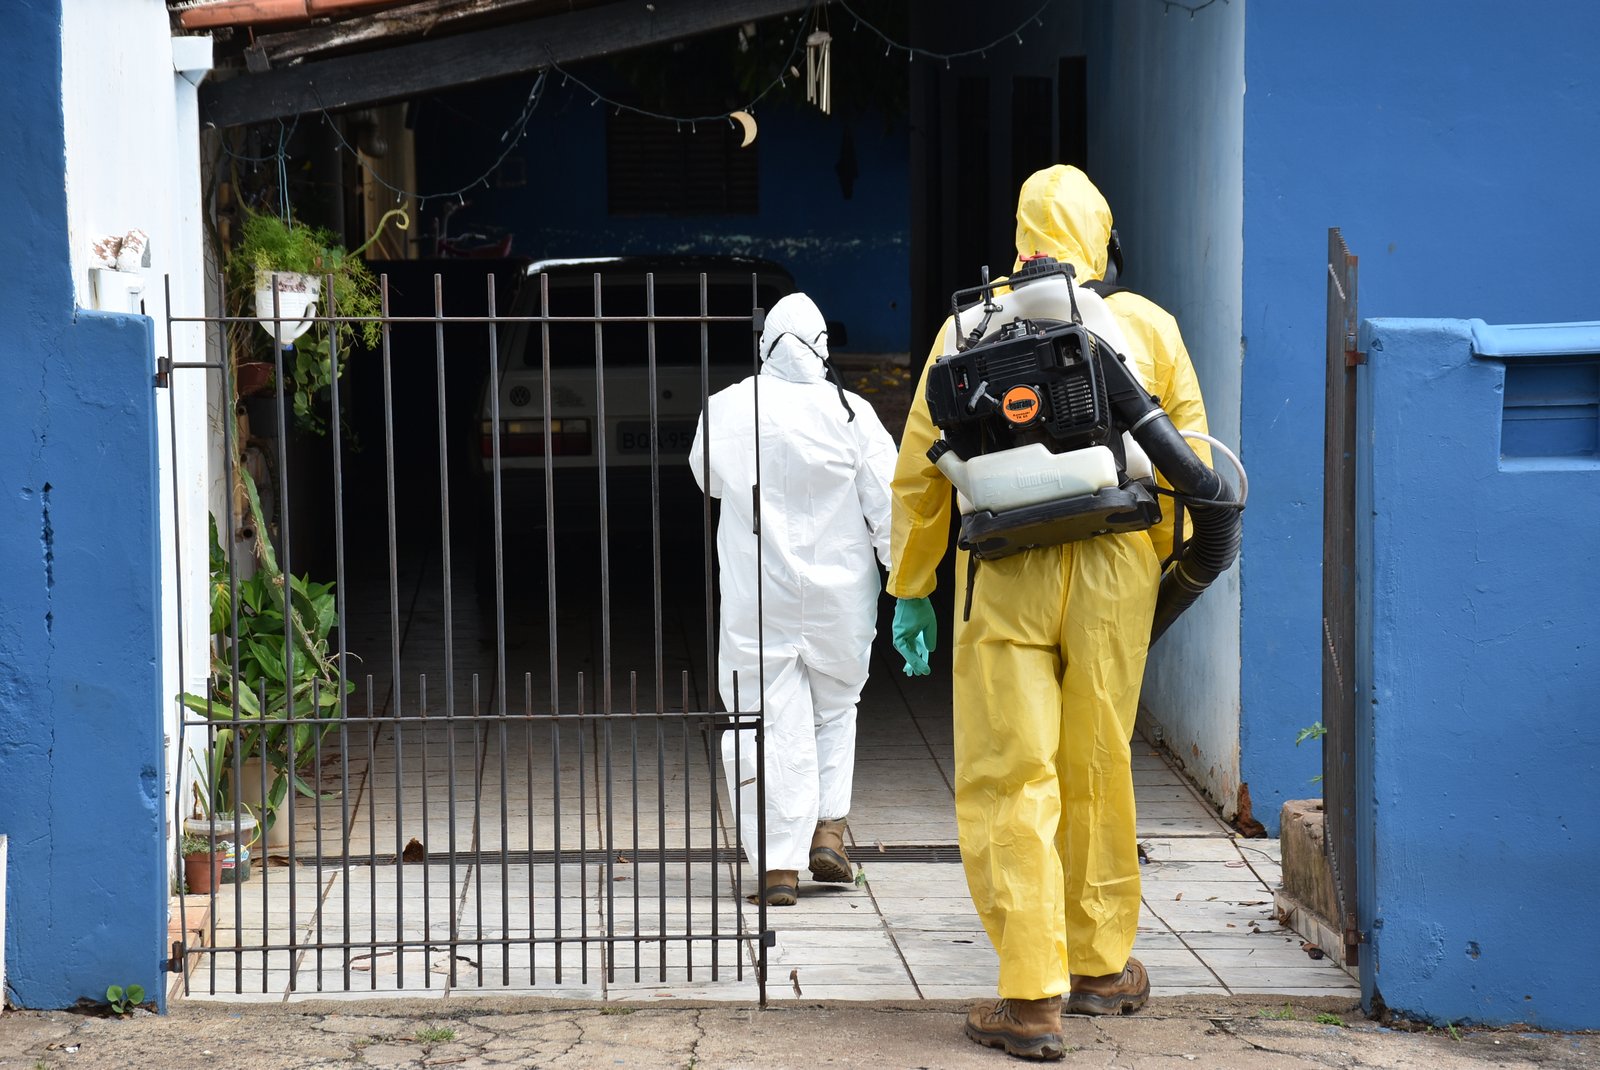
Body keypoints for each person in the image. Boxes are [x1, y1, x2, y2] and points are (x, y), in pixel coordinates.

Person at [887, 165, 1212, 1059]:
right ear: (1102, 241)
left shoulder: (968, 327)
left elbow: (921, 471)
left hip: (1006, 572)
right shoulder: (1147, 327)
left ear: (1017, 239)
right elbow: (1192, 461)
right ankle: (1103, 968)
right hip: (1115, 573)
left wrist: (911, 588)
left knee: (1009, 774)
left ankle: (1032, 998)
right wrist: (1153, 564)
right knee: (1099, 762)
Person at [689, 291, 897, 906]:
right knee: (834, 709)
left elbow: (708, 477)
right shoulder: (854, 414)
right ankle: (828, 831)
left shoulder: (727, 410)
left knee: (761, 717)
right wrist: (907, 581)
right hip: (842, 596)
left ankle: (776, 865)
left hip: (761, 594)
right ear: (824, 348)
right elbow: (887, 506)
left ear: (764, 345)